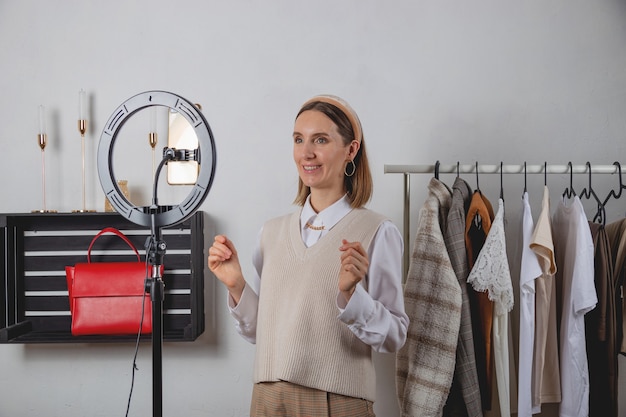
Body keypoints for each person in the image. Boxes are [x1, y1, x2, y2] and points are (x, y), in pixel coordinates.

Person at [208, 94, 408, 417]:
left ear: (351, 150)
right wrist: (237, 286)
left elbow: (395, 336)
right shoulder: (270, 233)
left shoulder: (376, 231)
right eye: (299, 139)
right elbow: (265, 331)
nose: (306, 153)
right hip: (267, 401)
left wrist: (351, 295)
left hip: (338, 403)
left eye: (321, 140)